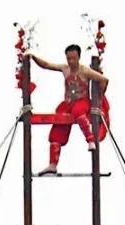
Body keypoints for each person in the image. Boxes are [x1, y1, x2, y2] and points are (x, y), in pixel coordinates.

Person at [27, 43, 109, 175]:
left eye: (73, 58)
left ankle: (90, 140)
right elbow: (47, 65)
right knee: (58, 124)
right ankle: (53, 164)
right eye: (69, 58)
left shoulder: (85, 70)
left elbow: (104, 79)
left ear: (78, 57)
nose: (71, 61)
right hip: (68, 103)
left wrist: (99, 98)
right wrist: (33, 57)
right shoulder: (65, 68)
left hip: (81, 101)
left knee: (78, 111)